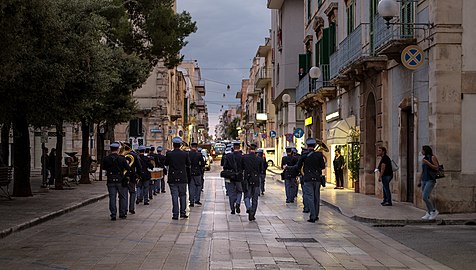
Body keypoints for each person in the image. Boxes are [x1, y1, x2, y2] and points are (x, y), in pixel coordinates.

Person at [287, 138, 326, 223]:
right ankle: (316, 215)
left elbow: (298, 166)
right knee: (317, 197)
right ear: (315, 146)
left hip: (308, 179)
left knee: (310, 197)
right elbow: (323, 166)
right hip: (317, 179)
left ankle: (312, 216)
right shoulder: (319, 155)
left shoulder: (304, 155)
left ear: (307, 146)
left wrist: (290, 168)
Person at [164, 137, 191, 220]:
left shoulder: (169, 154)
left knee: (174, 196)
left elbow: (166, 163)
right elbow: (188, 164)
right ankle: (183, 213)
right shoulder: (185, 154)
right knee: (183, 195)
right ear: (180, 145)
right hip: (182, 177)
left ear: (173, 144)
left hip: (172, 177)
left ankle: (175, 214)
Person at [102, 142, 130, 220]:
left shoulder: (106, 158)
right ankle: (122, 213)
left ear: (111, 149)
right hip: (120, 180)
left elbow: (104, 168)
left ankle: (113, 214)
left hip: (110, 180)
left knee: (112, 198)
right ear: (118, 149)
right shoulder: (122, 158)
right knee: (123, 197)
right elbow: (128, 169)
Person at [242, 143, 262, 221]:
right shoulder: (259, 159)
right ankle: (252, 214)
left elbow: (242, 167)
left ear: (249, 149)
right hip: (256, 180)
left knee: (247, 195)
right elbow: (261, 170)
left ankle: (248, 208)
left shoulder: (245, 158)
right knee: (255, 198)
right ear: (256, 149)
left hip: (247, 179)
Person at [222, 141, 244, 214]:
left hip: (230, 177)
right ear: (239, 148)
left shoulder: (228, 156)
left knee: (231, 193)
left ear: (233, 148)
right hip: (239, 177)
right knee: (239, 191)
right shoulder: (242, 156)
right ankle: (237, 202)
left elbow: (224, 166)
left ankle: (232, 209)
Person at [420, 145, 440, 220]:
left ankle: (433, 211)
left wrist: (428, 163)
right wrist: (420, 180)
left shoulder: (432, 157)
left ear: (426, 150)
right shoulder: (424, 159)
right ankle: (428, 212)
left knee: (425, 196)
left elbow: (437, 167)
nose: (421, 152)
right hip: (424, 179)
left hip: (430, 179)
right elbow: (423, 170)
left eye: (422, 150)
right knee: (426, 197)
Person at [122, 143, 141, 214]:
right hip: (132, 176)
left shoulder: (121, 155)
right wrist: (138, 176)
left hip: (123, 177)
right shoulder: (134, 155)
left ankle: (124, 209)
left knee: (124, 194)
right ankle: (131, 208)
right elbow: (139, 167)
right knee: (133, 192)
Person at [188, 142, 204, 207]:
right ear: (196, 147)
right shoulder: (199, 154)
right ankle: (197, 199)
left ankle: (191, 201)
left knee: (191, 187)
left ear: (191, 147)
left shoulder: (188, 154)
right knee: (199, 186)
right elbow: (202, 164)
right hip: (197, 172)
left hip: (190, 172)